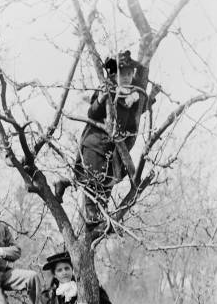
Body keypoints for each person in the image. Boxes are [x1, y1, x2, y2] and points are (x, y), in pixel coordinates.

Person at [54, 50, 158, 226]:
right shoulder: (107, 88)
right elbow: (92, 112)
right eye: (122, 74)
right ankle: (92, 215)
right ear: (114, 74)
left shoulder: (133, 94)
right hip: (96, 143)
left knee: (108, 180)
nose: (126, 77)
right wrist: (102, 98)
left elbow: (137, 112)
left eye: (129, 74)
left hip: (114, 148)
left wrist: (151, 97)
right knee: (93, 180)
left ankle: (76, 192)